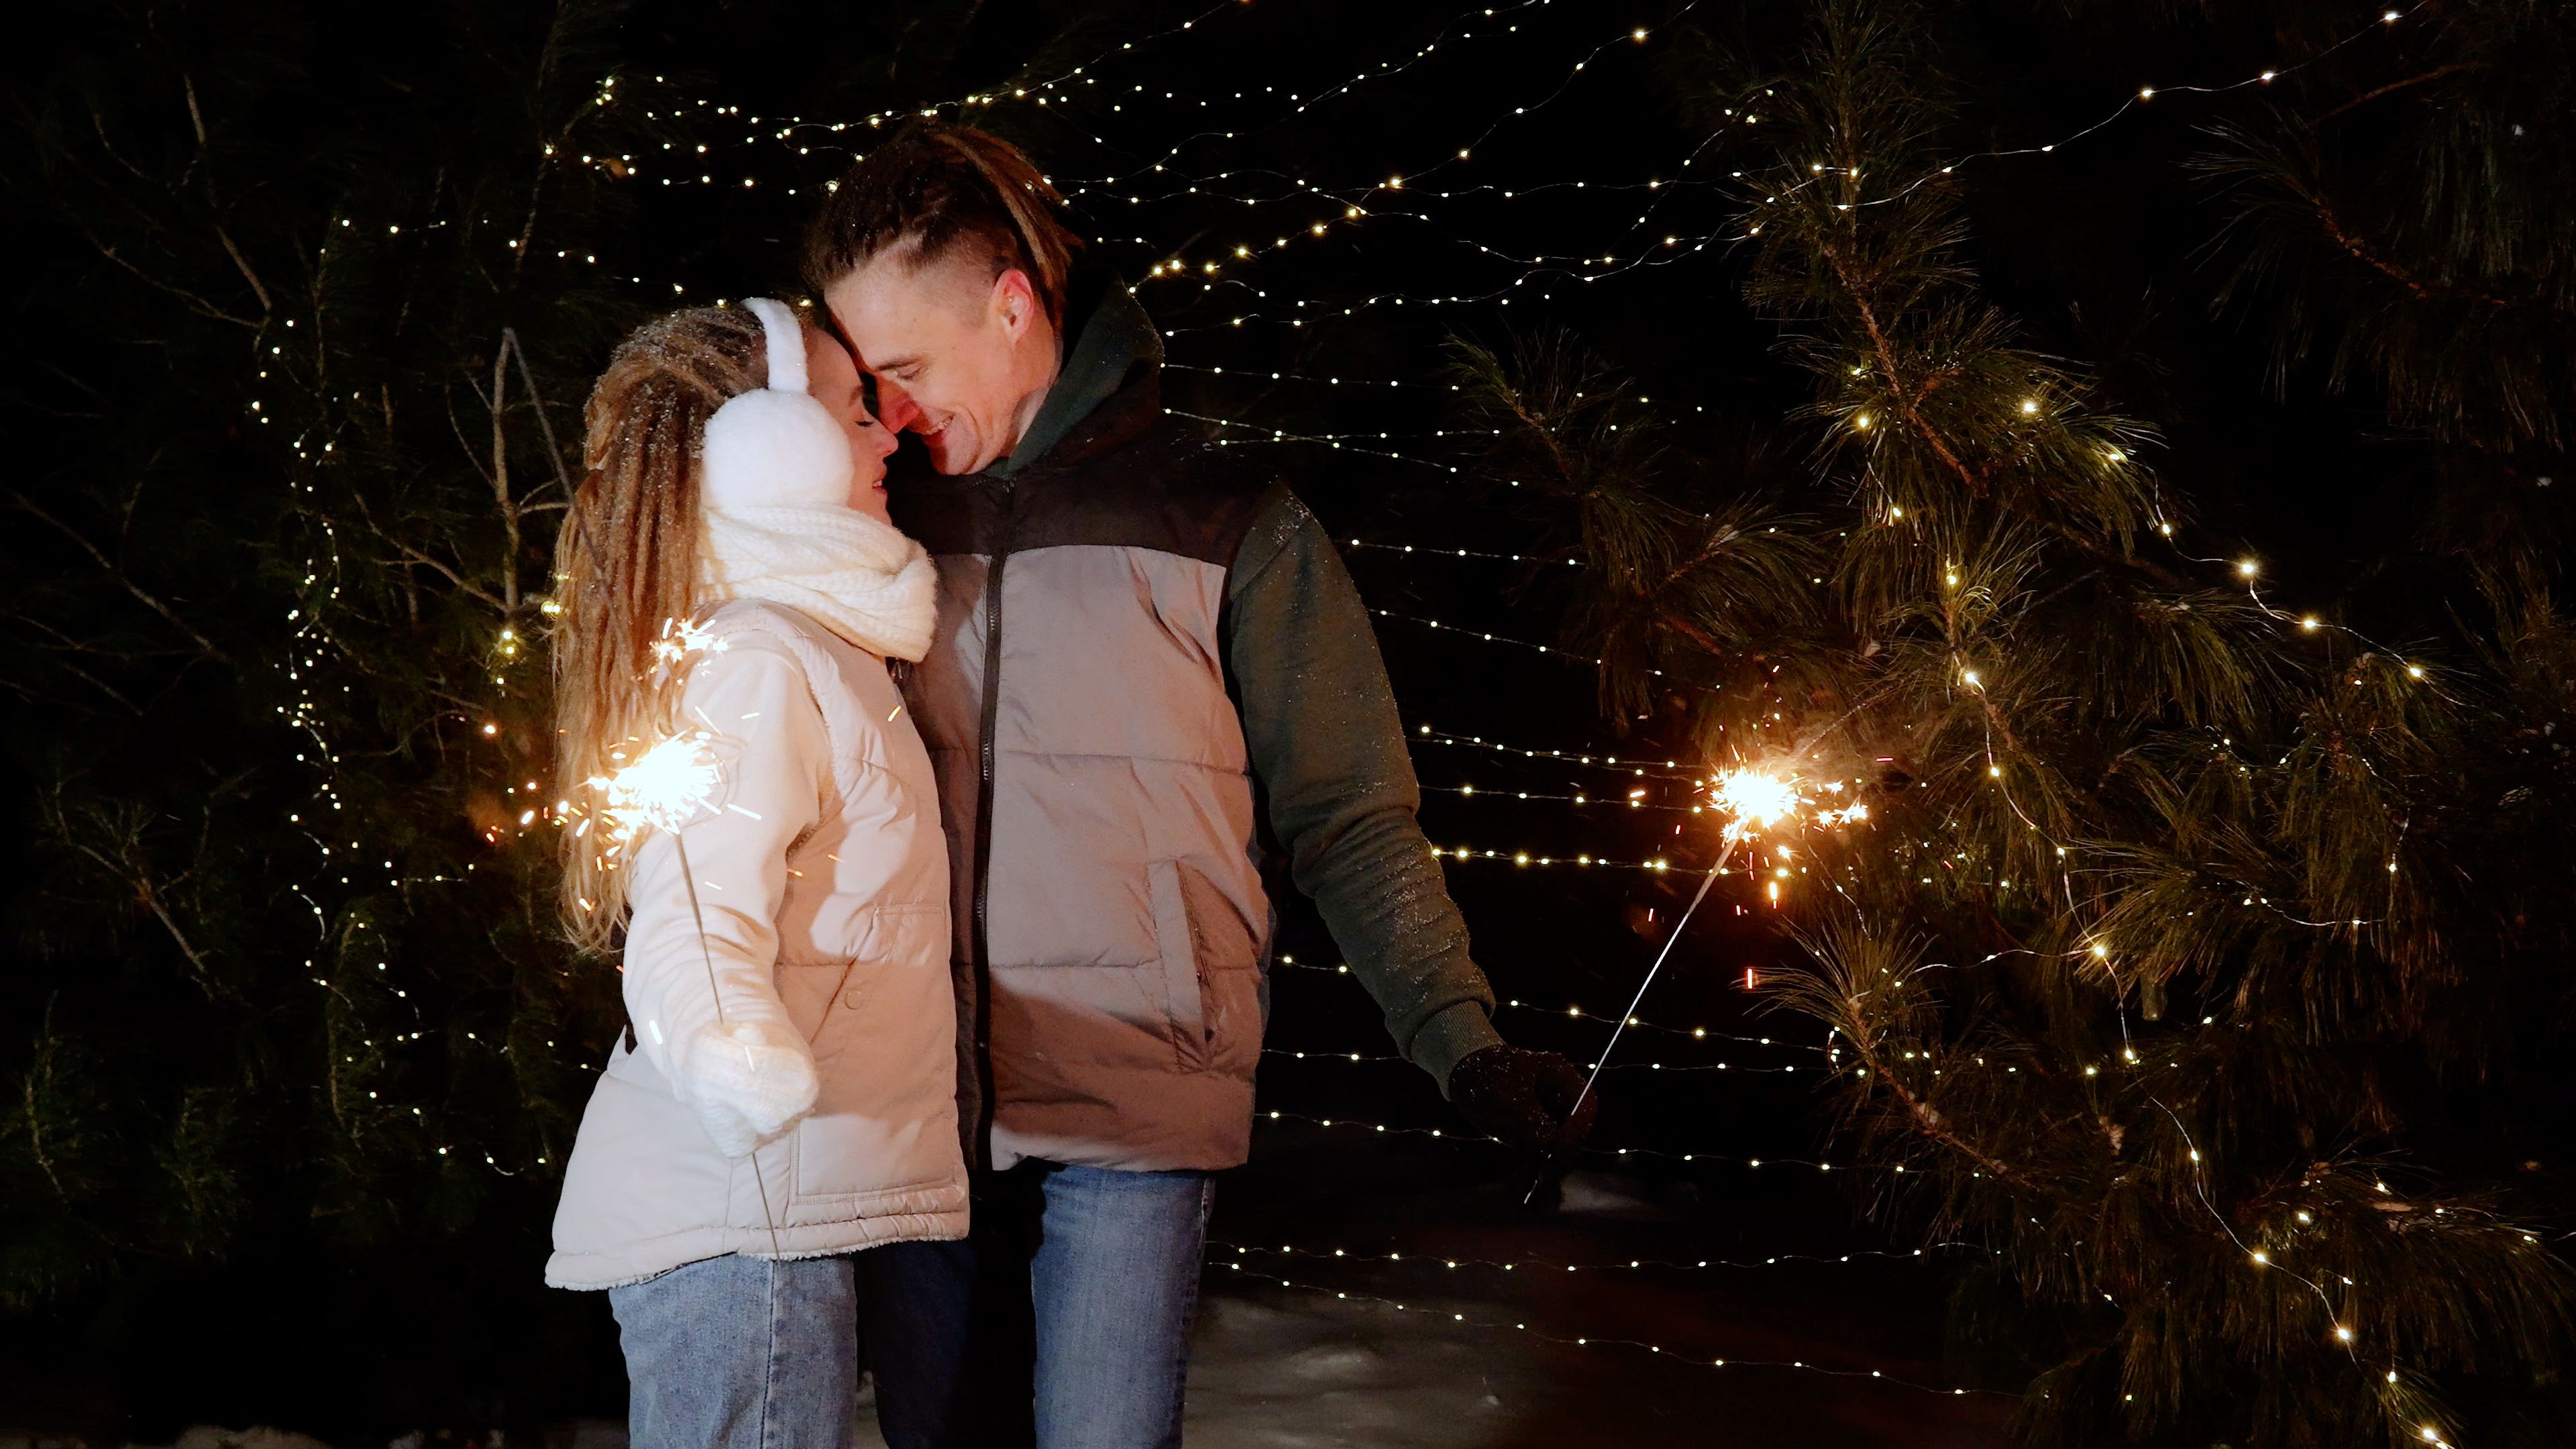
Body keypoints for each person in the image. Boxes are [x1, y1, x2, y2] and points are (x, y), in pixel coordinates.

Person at [801, 125, 1603, 1447]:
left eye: (905, 370)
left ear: (1013, 307)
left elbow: (1347, 810)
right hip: (913, 1112)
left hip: (1134, 1103)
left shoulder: (1229, 520)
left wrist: (1460, 1042)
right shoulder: (878, 526)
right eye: (865, 382)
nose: (886, 411)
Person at [542, 299, 975, 1448]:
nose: (891, 437)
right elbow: (690, 895)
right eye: (853, 412)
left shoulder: (811, 648)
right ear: (764, 448)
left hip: (770, 1205)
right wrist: (733, 1046)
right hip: (741, 1207)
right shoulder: (757, 659)